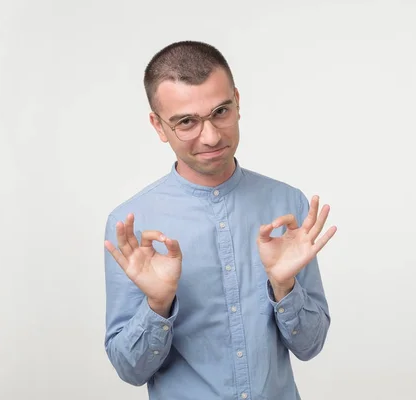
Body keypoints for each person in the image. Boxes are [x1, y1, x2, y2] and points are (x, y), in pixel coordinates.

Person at [103, 40, 337, 400]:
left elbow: (311, 346)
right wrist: (157, 305)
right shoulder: (132, 227)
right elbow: (130, 370)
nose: (210, 136)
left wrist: (285, 287)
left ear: (238, 102)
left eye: (220, 112)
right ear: (158, 126)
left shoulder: (287, 205)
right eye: (186, 122)